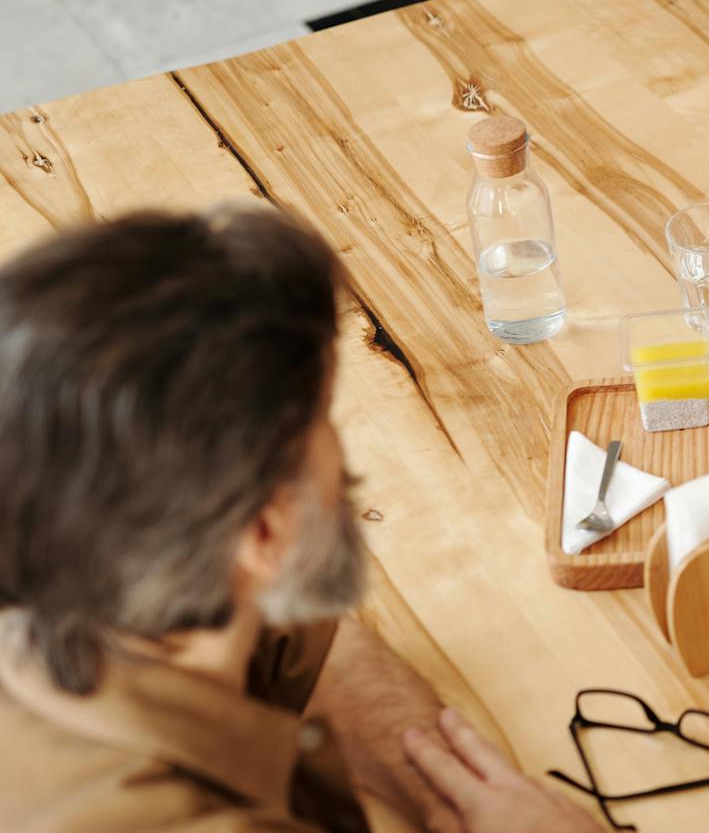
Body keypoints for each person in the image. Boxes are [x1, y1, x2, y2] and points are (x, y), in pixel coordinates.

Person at [0, 207, 595, 831]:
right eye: (325, 422)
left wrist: (440, 794)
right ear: (263, 531)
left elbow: (316, 642)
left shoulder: (98, 581)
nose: (341, 455)